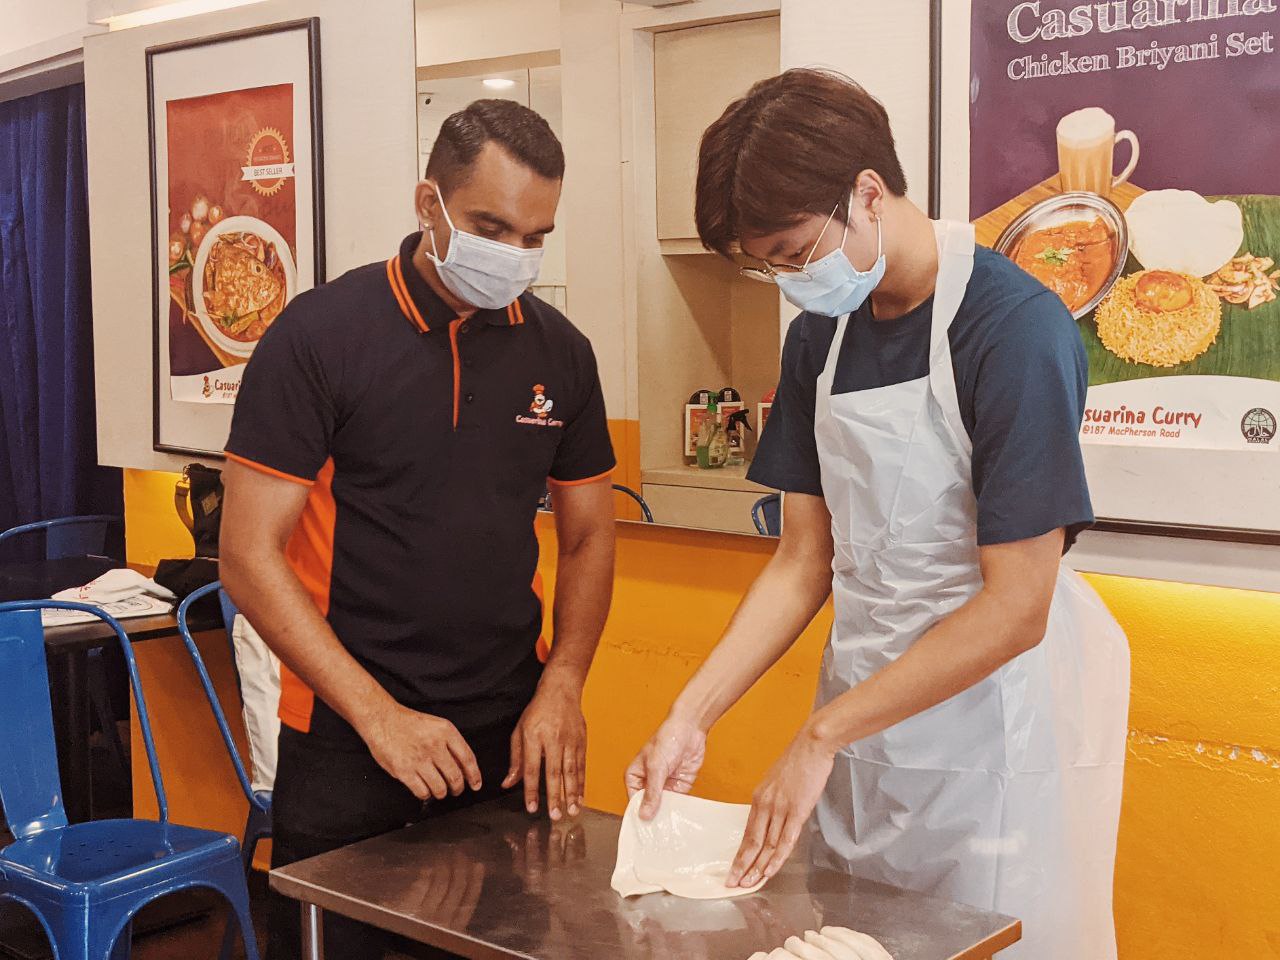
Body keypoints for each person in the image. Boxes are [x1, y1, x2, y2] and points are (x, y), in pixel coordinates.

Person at [626, 69, 1130, 960]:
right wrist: (690, 715)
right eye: (764, 264)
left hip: (990, 733)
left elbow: (1016, 607)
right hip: (863, 715)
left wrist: (820, 736)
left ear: (867, 193)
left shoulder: (1011, 329)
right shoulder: (822, 334)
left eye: (792, 251)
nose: (786, 281)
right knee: (852, 940)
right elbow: (801, 560)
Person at [220, 99, 617, 960]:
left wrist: (565, 683)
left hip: (507, 736)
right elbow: (247, 558)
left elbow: (588, 536)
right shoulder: (321, 337)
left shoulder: (562, 353)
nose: (513, 256)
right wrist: (379, 716)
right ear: (427, 203)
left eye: (535, 236)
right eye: (490, 226)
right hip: (347, 734)